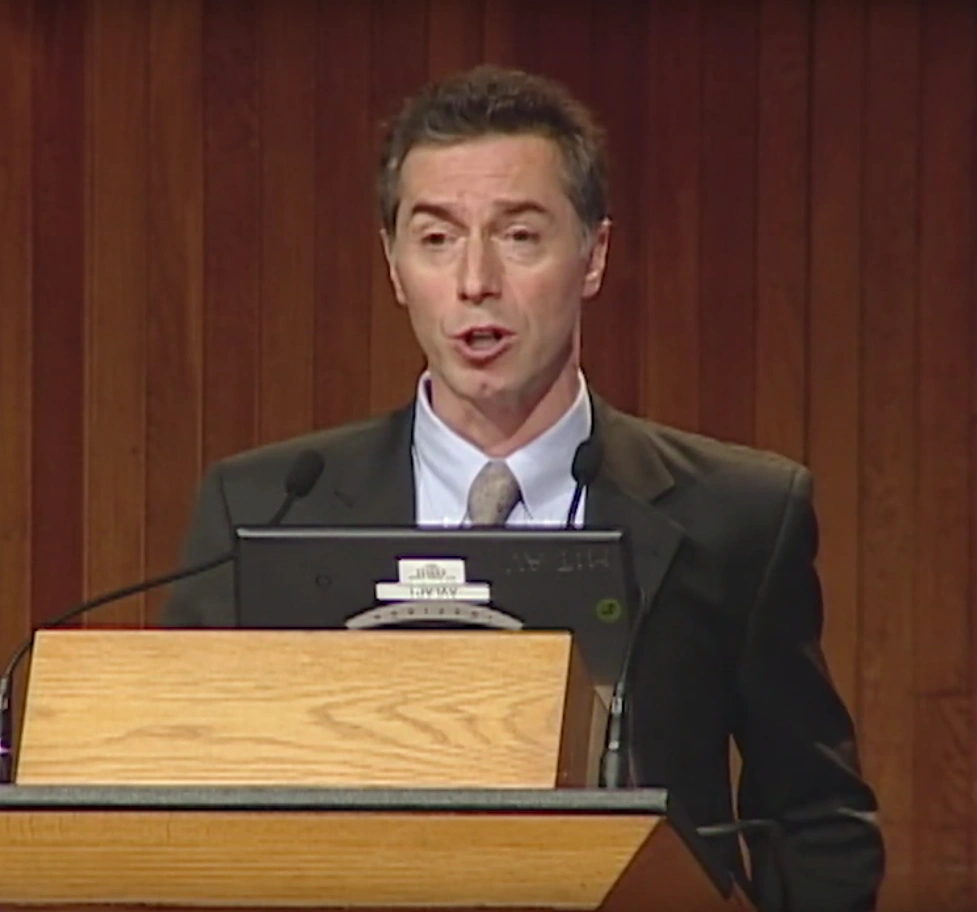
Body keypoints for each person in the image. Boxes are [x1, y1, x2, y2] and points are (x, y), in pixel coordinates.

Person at [161, 65, 884, 911]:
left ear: (592, 255)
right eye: (435, 239)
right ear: (394, 267)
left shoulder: (737, 516)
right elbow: (182, 803)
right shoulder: (261, 510)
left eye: (518, 236)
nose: (475, 282)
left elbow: (813, 818)